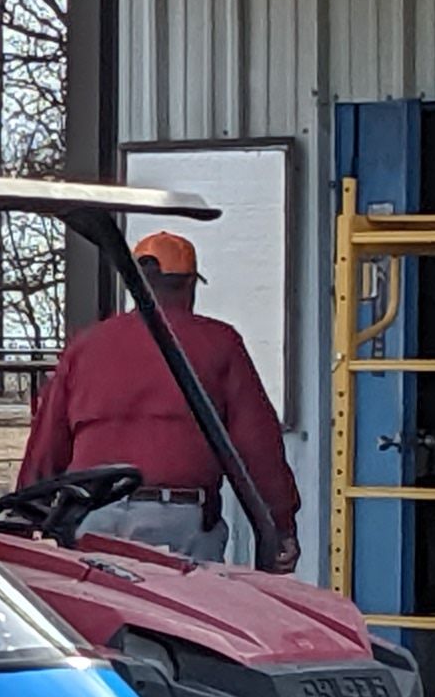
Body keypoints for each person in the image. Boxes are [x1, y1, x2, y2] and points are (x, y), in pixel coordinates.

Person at [15, 231, 301, 566]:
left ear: (136, 285)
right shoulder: (219, 343)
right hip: (180, 521)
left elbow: (48, 442)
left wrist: (25, 518)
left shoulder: (86, 346)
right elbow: (257, 447)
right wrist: (280, 526)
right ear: (190, 285)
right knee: (189, 616)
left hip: (92, 517)